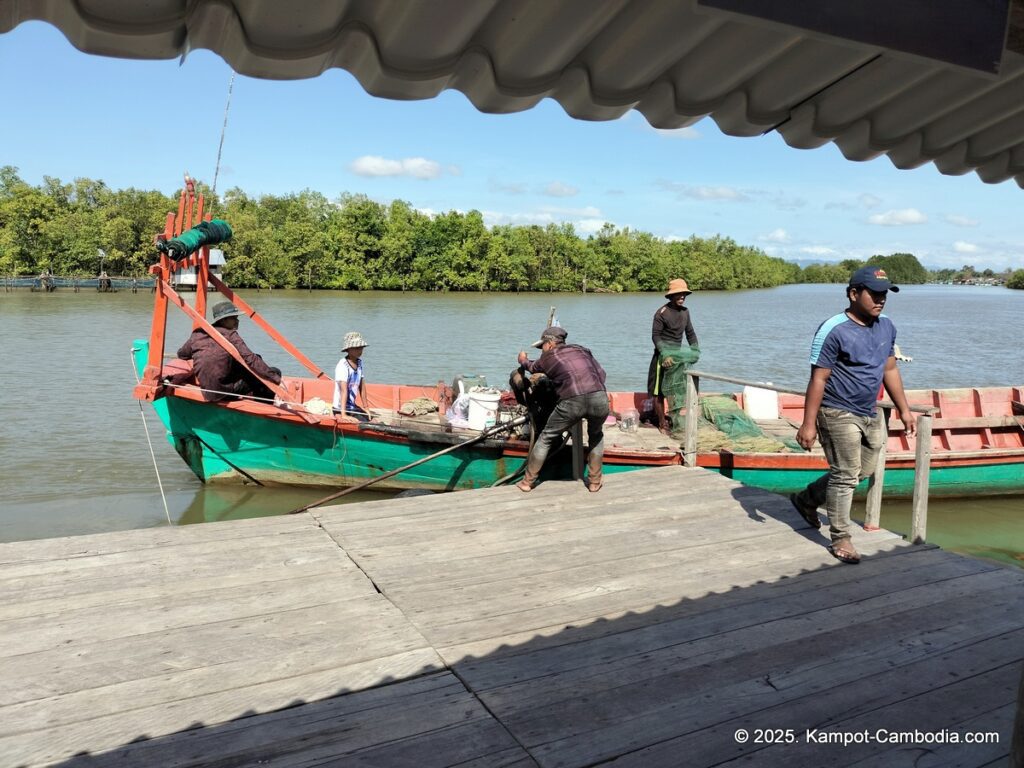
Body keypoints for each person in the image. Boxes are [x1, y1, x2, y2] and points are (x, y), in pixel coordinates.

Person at [791, 265, 917, 564]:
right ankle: (841, 537)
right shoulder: (833, 329)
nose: (880, 299)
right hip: (836, 411)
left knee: (864, 470)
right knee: (846, 474)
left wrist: (905, 409)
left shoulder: (886, 326)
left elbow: (889, 369)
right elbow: (818, 378)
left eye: (884, 294)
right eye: (874, 293)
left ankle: (806, 500)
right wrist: (808, 424)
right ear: (853, 293)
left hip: (869, 411)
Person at [516, 325, 609, 492]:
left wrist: (522, 359)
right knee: (596, 435)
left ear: (550, 344)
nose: (542, 350)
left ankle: (527, 482)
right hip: (599, 396)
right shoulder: (583, 350)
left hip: (573, 401)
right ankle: (594, 482)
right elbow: (602, 374)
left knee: (546, 437)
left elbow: (531, 367)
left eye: (542, 346)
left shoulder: (549, 356)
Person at [177, 300, 282, 401]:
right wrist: (276, 378)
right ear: (223, 320)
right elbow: (250, 358)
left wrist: (201, 352)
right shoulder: (230, 334)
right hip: (223, 392)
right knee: (272, 371)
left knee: (255, 360)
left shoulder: (198, 333)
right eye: (234, 318)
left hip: (208, 392)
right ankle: (264, 406)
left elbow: (182, 354)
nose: (237, 320)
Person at [648, 278, 699, 432]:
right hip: (662, 357)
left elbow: (690, 333)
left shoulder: (685, 312)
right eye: (678, 294)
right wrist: (665, 354)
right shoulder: (661, 313)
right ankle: (662, 424)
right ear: (671, 296)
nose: (682, 296)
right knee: (658, 391)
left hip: (677, 358)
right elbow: (655, 336)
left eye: (684, 294)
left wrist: (695, 349)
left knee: (674, 390)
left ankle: (674, 419)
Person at [334, 331, 370, 422]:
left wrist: (366, 407)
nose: (360, 351)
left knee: (370, 419)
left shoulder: (359, 362)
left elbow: (362, 386)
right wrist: (344, 414)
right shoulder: (343, 365)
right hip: (340, 408)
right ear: (348, 349)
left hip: (351, 407)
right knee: (363, 423)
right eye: (356, 348)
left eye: (361, 348)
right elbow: (343, 390)